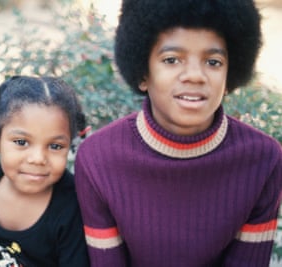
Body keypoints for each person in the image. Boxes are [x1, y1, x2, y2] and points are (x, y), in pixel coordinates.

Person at [74, 0, 282, 266]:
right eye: (172, 60)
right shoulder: (98, 160)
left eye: (213, 61)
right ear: (143, 73)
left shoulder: (263, 160)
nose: (195, 76)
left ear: (231, 75)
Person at [0, 76, 90, 267]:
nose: (37, 158)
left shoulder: (74, 204)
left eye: (55, 146)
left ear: (69, 145)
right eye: (21, 142)